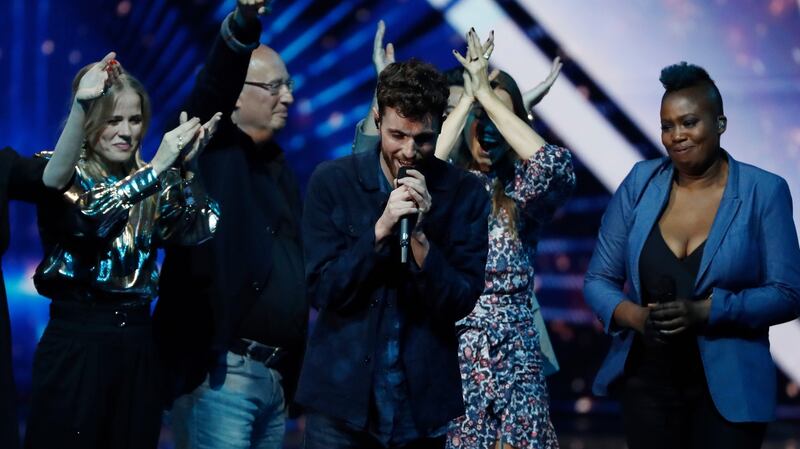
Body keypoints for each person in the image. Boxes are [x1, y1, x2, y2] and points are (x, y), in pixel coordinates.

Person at [583, 62, 800, 449]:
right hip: (648, 385)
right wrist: (636, 317)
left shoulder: (763, 191)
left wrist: (707, 311)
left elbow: (788, 292)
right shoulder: (640, 182)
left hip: (730, 392)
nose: (676, 136)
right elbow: (598, 279)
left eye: (689, 122)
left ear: (720, 123)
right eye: (667, 126)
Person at [24, 53, 220, 449]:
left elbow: (198, 228)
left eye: (134, 120)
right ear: (90, 123)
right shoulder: (61, 172)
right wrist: (156, 170)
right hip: (77, 341)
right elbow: (89, 219)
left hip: (137, 342)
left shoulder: (151, 180)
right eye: (113, 120)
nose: (126, 132)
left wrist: (188, 169)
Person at [298, 59, 490, 449]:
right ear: (377, 120)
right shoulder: (334, 182)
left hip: (420, 409)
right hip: (342, 405)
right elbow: (323, 291)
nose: (408, 151)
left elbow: (461, 299)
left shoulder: (465, 193)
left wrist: (419, 236)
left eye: (422, 139)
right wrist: (381, 230)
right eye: (397, 135)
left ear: (440, 124)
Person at [155, 1, 307, 447]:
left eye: (290, 85)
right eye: (275, 86)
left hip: (274, 380)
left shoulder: (279, 165)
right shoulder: (210, 144)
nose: (289, 97)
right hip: (221, 375)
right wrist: (243, 24)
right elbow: (211, 85)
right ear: (237, 93)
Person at [437, 30, 574, 449]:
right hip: (454, 357)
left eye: (497, 120)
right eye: (479, 118)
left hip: (516, 361)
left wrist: (495, 103)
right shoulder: (448, 185)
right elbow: (417, 175)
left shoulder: (521, 189)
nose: (489, 128)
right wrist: (469, 97)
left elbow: (555, 167)